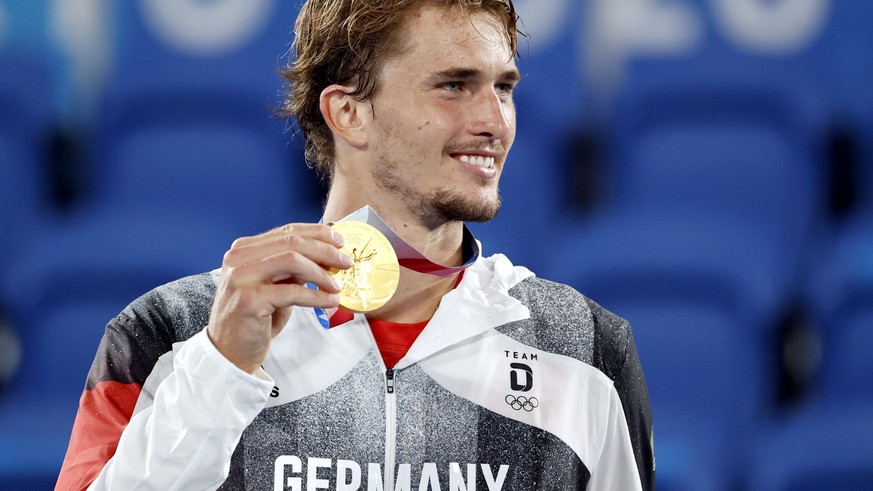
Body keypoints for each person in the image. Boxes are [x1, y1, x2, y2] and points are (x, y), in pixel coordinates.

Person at [56, 0, 654, 489]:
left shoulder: (585, 349)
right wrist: (220, 368)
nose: (495, 121)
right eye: (454, 85)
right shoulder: (167, 332)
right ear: (348, 112)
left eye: (503, 86)